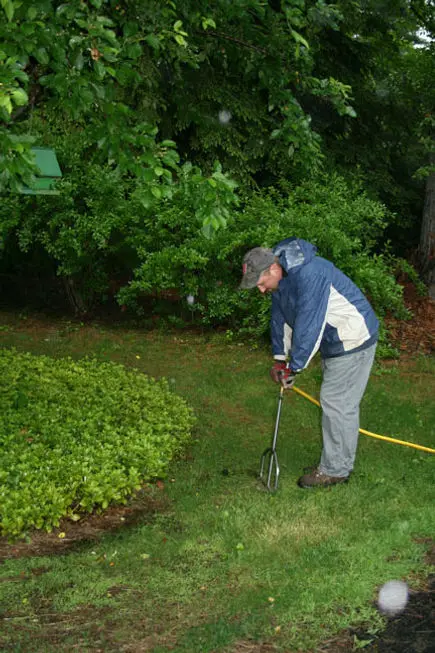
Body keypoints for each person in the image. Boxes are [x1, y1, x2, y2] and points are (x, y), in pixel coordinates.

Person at [240, 237, 379, 489]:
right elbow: (280, 318)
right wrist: (280, 360)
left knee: (337, 402)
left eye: (261, 284)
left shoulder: (310, 274)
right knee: (336, 400)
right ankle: (334, 460)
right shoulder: (282, 279)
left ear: (272, 269)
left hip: (352, 337)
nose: (261, 290)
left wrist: (295, 367)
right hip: (333, 339)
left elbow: (309, 326)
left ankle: (335, 470)